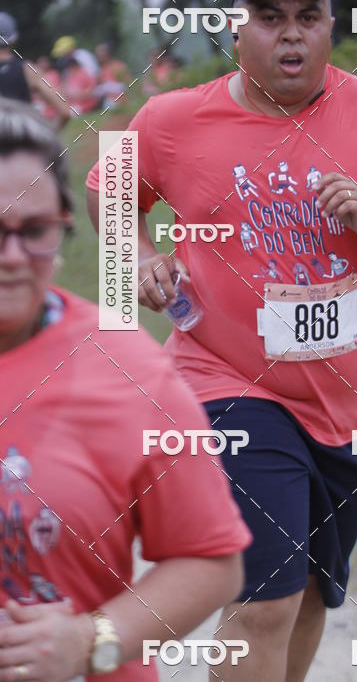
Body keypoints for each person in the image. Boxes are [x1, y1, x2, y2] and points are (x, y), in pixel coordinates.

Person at [86, 0, 357, 682]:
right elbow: (111, 194)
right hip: (223, 381)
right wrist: (135, 262)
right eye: (269, 18)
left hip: (352, 404)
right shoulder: (172, 120)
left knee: (312, 592)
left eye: (307, 17)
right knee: (265, 598)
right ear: (236, 32)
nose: (290, 35)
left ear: (330, 28)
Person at [0, 99, 251, 679]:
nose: (13, 258)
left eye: (34, 230)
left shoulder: (128, 369)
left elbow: (212, 561)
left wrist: (92, 640)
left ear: (63, 227)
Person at [0, 14, 70, 128]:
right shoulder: (27, 69)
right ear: (14, 38)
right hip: (22, 140)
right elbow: (65, 111)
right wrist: (46, 138)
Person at [51, 37, 99, 115]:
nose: (62, 55)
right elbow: (66, 84)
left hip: (89, 94)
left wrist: (80, 93)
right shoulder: (67, 64)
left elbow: (94, 79)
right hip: (75, 99)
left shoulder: (83, 56)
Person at [94, 44, 129, 110]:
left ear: (107, 53)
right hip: (108, 101)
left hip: (121, 99)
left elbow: (127, 85)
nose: (99, 56)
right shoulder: (102, 70)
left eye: (101, 53)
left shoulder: (118, 66)